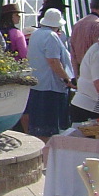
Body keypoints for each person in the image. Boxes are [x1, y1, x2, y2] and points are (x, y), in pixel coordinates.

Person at [24, 8, 74, 139]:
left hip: (38, 85)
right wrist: (66, 79)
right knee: (50, 130)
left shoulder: (36, 34)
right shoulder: (51, 36)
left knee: (38, 129)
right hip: (50, 88)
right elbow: (53, 61)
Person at [69, 0, 99, 75]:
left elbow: (73, 53)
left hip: (80, 70)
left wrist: (76, 75)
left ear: (90, 6)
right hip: (95, 71)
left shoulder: (77, 24)